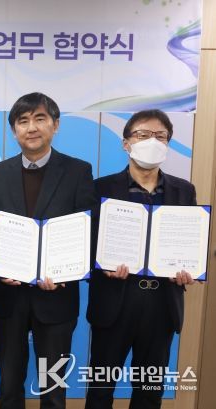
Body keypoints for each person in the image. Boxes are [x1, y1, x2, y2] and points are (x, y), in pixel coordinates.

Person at [0, 92, 96, 409]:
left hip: (56, 297)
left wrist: (66, 274)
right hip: (8, 296)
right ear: (14, 130)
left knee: (53, 389)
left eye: (40, 119)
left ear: (55, 125)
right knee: (9, 385)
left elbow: (88, 230)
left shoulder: (78, 171)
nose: (31, 127)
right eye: (23, 121)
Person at [85, 110, 197, 409]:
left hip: (162, 304)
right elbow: (87, 242)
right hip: (115, 301)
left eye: (160, 136)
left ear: (168, 143)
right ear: (126, 144)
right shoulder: (100, 188)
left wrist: (188, 269)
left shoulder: (183, 191)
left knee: (149, 390)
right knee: (100, 389)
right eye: (143, 135)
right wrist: (102, 265)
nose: (152, 142)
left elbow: (188, 242)